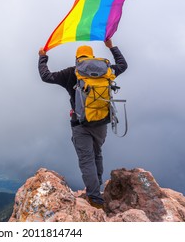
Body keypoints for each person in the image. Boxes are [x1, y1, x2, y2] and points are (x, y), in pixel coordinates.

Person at [38, 39, 128, 209]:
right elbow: (123, 65)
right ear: (92, 57)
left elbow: (46, 76)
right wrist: (112, 47)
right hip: (101, 122)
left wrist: (43, 57)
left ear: (77, 58)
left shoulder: (72, 72)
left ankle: (95, 198)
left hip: (80, 124)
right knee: (97, 154)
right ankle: (97, 188)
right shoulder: (106, 70)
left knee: (86, 160)